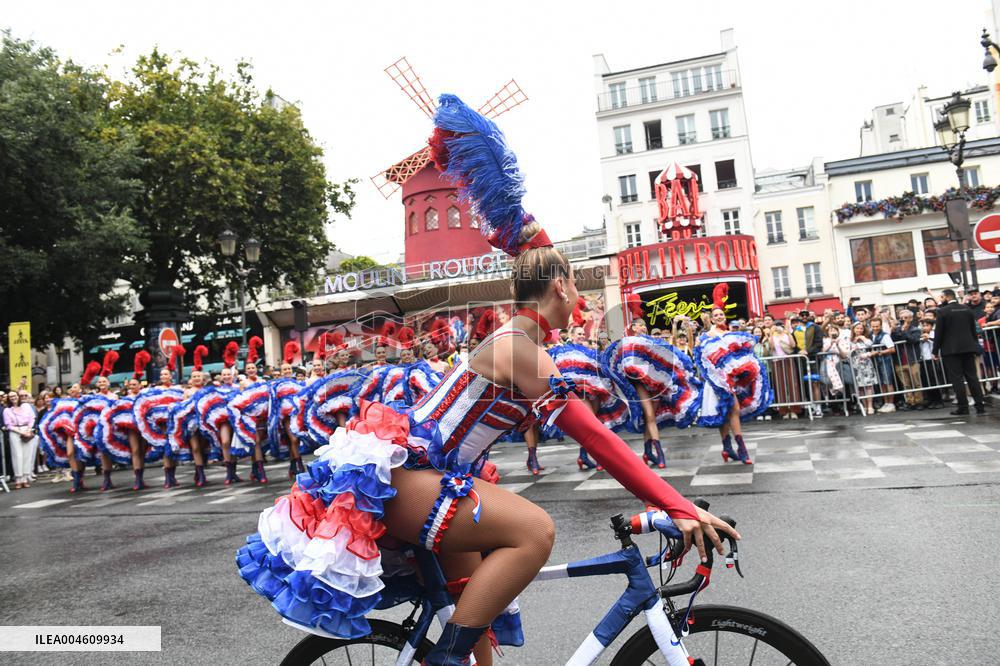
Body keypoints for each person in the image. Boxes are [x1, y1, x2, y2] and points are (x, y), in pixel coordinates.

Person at [236, 94, 737, 666]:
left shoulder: (520, 345)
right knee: (535, 531)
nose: (578, 297)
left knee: (482, 643)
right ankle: (441, 659)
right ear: (560, 288)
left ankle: (456, 656)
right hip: (415, 480)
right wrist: (681, 507)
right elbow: (597, 440)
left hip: (428, 478)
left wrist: (672, 504)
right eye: (575, 285)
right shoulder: (521, 350)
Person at [933, 288, 986, 415]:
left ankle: (963, 407)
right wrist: (973, 344)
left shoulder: (942, 311)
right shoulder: (967, 309)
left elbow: (938, 333)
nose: (941, 300)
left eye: (942, 297)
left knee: (957, 379)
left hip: (951, 350)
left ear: (946, 297)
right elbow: (973, 329)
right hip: (968, 347)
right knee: (972, 377)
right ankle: (980, 406)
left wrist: (935, 350)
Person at [3, 391, 36, 489]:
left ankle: (25, 478)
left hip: (27, 429)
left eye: (15, 396)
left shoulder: (26, 406)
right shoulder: (7, 410)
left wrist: (29, 430)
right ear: (8, 399)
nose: (13, 398)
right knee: (17, 455)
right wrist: (21, 432)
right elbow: (8, 425)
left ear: (18, 396)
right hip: (15, 432)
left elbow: (32, 418)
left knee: (27, 454)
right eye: (11, 397)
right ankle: (18, 479)